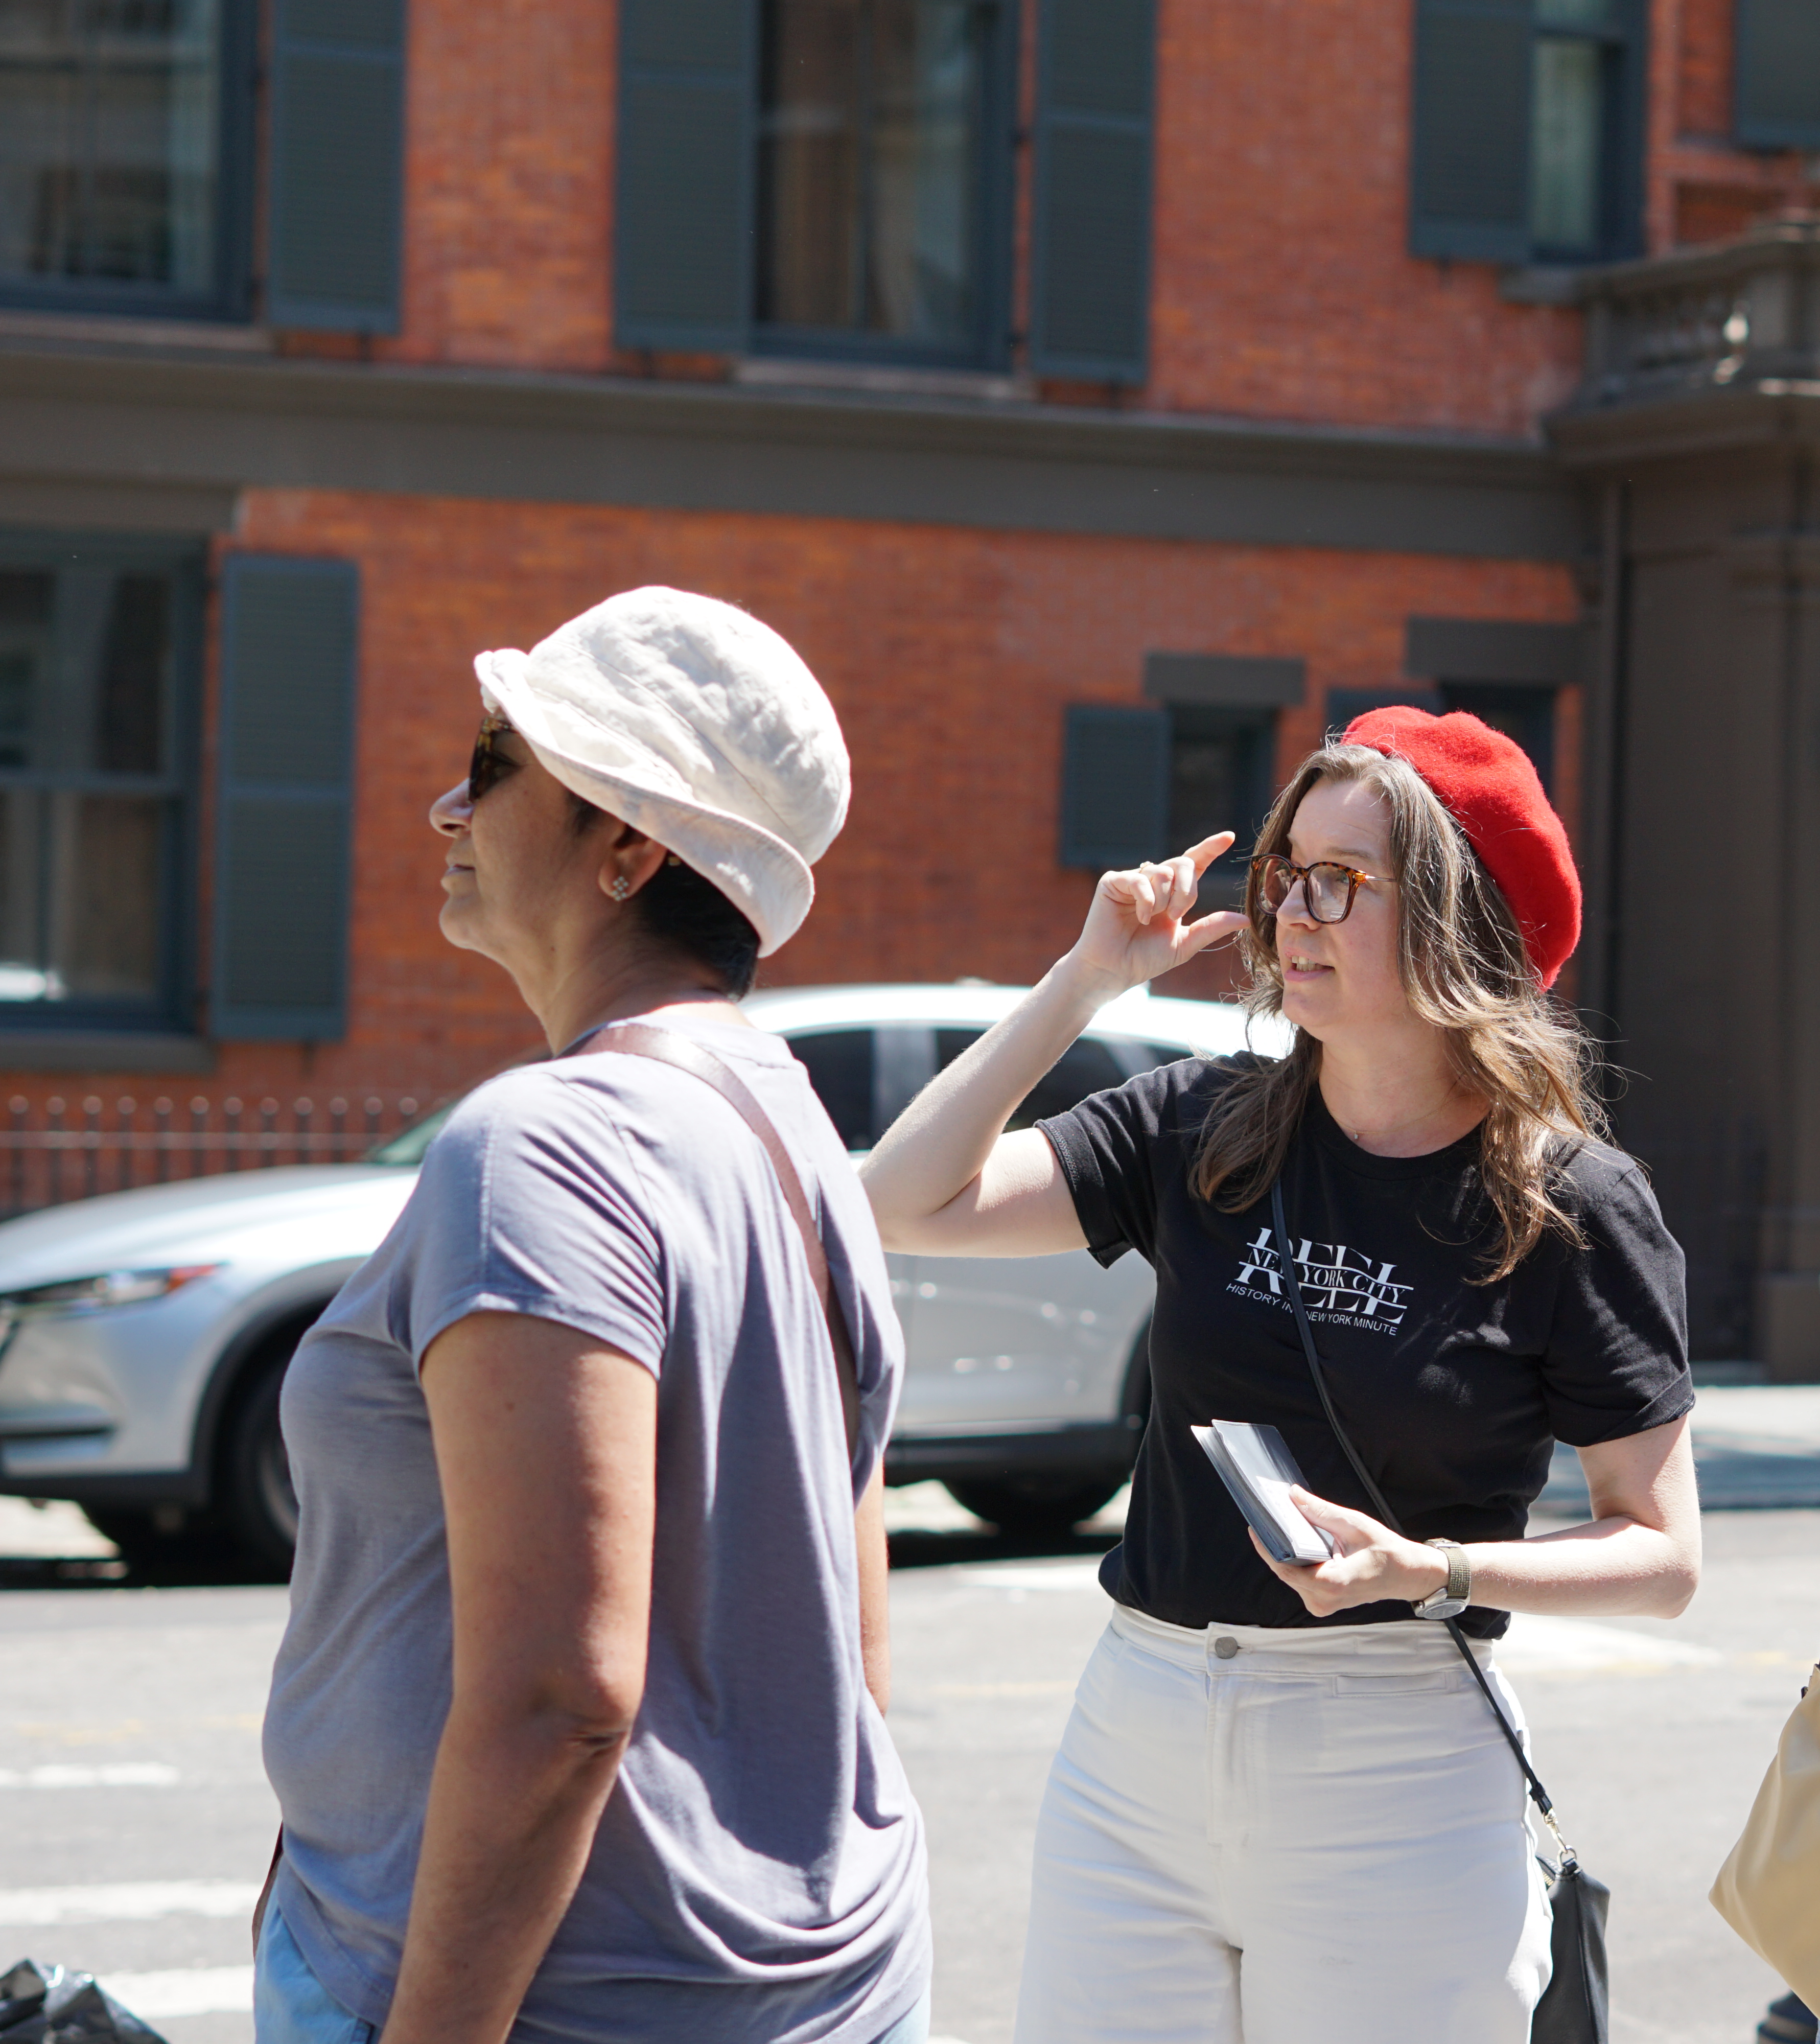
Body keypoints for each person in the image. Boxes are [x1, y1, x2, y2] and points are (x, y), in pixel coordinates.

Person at [861, 708, 1699, 2044]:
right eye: (1284, 875)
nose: (1291, 916)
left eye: (1341, 882)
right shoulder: (1201, 1121)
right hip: (1138, 1731)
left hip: (1400, 1751)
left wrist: (1432, 1569)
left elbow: (1662, 1556)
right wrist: (1083, 986)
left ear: (1455, 919)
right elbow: (904, 1201)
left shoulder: (1571, 1205)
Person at [257, 588, 930, 2044]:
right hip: (821, 1982)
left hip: (547, 2001)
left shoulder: (547, 1143)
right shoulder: (794, 1127)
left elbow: (563, 1698)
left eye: (497, 763)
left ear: (629, 846)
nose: (449, 803)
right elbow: (856, 1655)